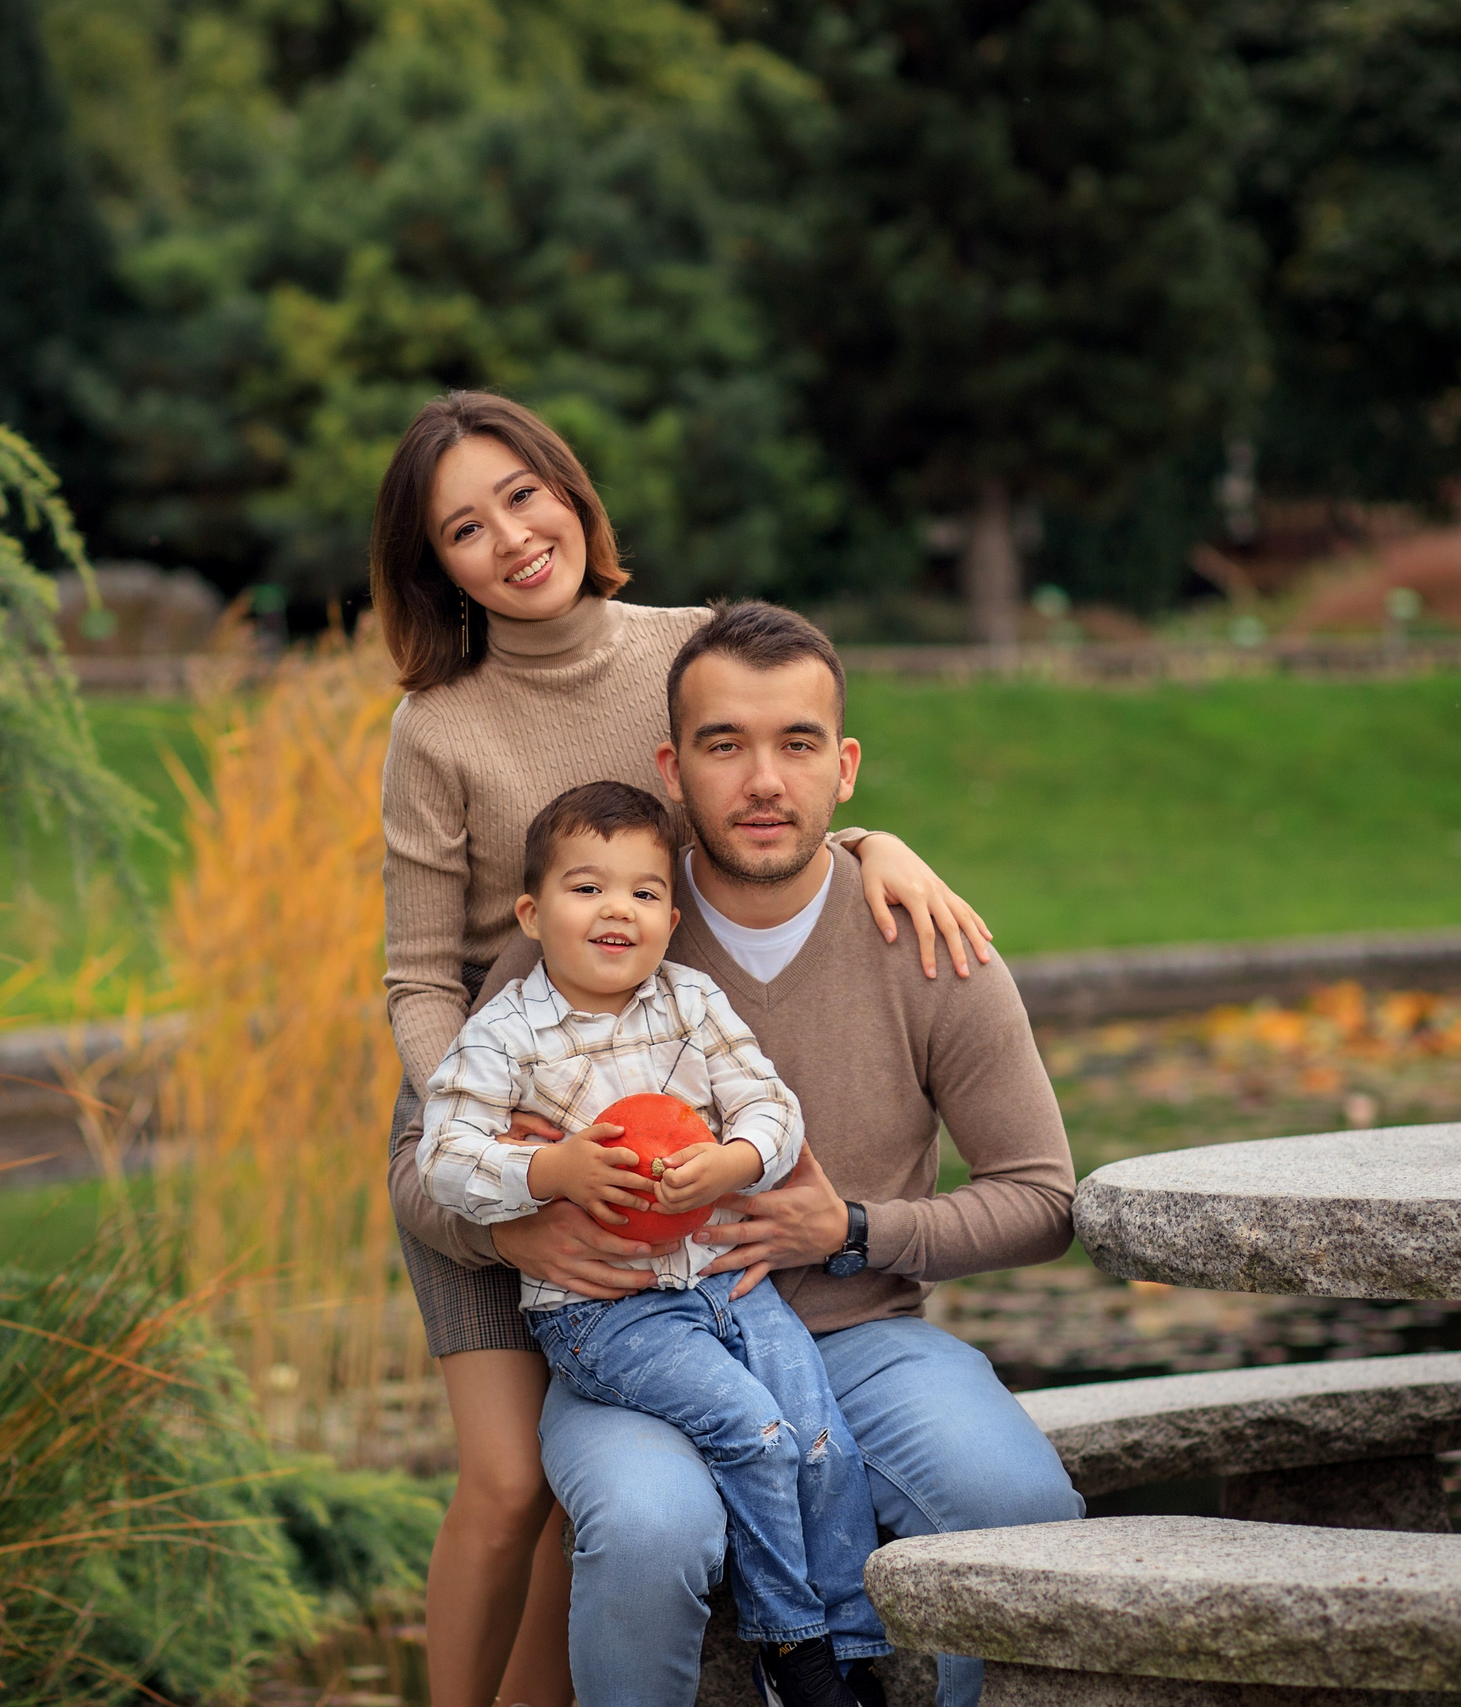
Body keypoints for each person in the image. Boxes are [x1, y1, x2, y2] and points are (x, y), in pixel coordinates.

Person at [371, 391, 995, 1707]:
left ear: (570, 491)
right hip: (492, 1110)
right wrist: (500, 1142)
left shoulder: (681, 644)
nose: (511, 538)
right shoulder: (438, 726)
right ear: (437, 567)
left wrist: (874, 842)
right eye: (465, 528)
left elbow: (761, 798)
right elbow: (419, 977)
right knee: (508, 1480)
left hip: (653, 1092)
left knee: (581, 1485)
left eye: (523, 496)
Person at [418, 780, 888, 1707]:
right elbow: (442, 1158)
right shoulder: (504, 1032)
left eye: (642, 891)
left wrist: (733, 1160)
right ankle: (792, 1647)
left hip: (729, 1281)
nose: (617, 910)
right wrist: (550, 1172)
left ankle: (850, 1648)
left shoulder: (692, 1002)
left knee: (821, 1439)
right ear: (532, 913)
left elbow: (771, 1106)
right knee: (757, 1434)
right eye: (587, 887)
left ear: (671, 919)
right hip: (608, 1311)